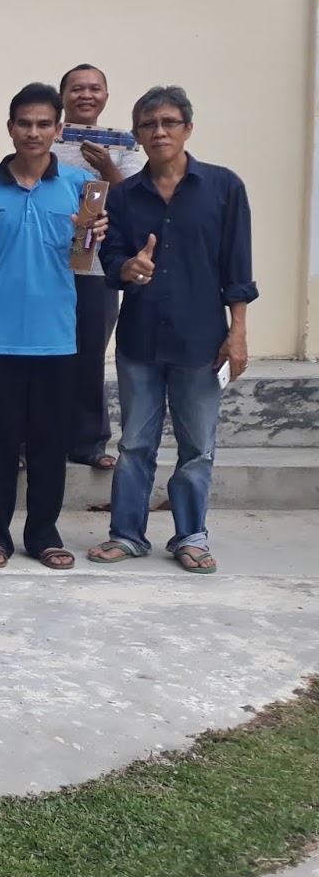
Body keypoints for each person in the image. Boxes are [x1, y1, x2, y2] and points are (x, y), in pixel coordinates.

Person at [91, 86, 257, 575]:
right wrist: (128, 269)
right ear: (137, 136)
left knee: (197, 447)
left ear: (187, 128)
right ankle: (127, 534)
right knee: (133, 445)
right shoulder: (125, 197)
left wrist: (238, 331)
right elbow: (110, 258)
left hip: (201, 341)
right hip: (140, 339)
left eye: (168, 122)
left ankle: (191, 537)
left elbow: (237, 265)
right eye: (148, 124)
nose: (159, 132)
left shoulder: (224, 188)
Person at [0, 83, 104, 571]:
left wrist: (92, 233)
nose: (33, 132)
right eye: (24, 123)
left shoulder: (82, 186)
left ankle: (43, 532)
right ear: (10, 128)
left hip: (57, 338)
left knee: (49, 445)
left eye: (44, 124)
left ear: (58, 129)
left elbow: (83, 260)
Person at [50, 64, 147, 470]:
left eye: (94, 88)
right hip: (48, 266)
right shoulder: (47, 138)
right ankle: (31, 439)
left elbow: (136, 203)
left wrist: (107, 167)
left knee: (89, 354)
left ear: (106, 95)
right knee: (42, 355)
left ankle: (88, 441)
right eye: (76, 88)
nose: (85, 95)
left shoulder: (124, 146)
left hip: (96, 267)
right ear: (63, 96)